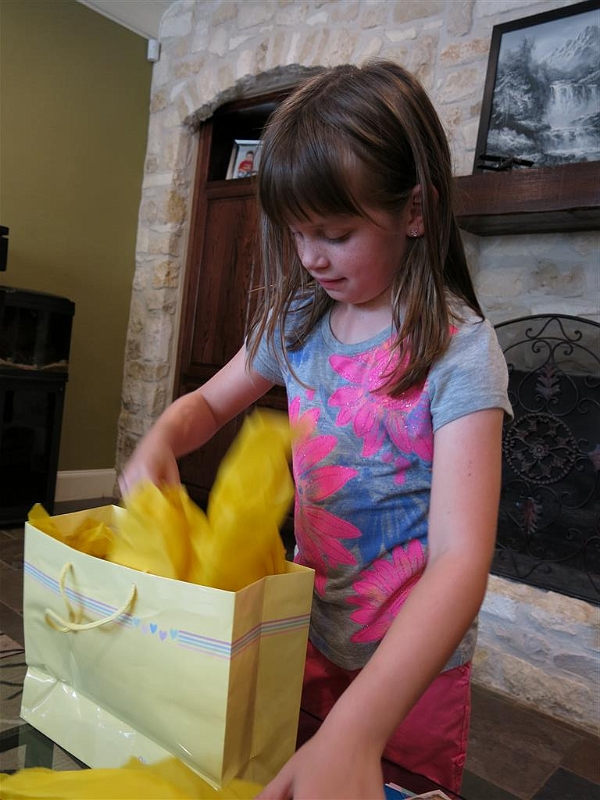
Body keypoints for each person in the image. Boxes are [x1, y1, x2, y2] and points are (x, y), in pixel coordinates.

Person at [120, 60, 512, 799]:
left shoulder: (460, 353)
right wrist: (161, 440)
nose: (309, 257)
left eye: (334, 233)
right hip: (301, 631)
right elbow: (207, 404)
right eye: (297, 233)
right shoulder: (299, 323)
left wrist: (359, 731)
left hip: (409, 673)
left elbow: (460, 559)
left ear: (415, 210)